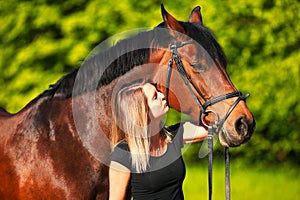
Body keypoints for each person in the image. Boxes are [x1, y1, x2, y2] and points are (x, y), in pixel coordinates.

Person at [109, 81, 208, 200]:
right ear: (142, 112)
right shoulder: (123, 153)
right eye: (155, 97)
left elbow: (211, 128)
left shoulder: (172, 136)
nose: (163, 96)